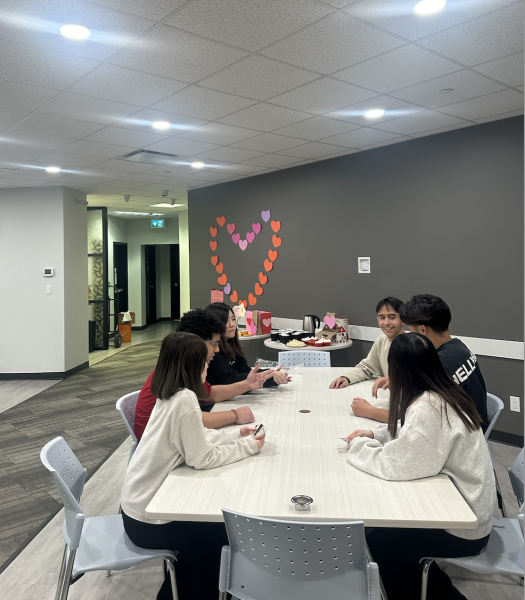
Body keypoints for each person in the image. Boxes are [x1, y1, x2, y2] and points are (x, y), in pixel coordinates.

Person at [344, 333, 495, 600]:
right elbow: (409, 430)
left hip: (463, 525)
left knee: (379, 541)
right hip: (465, 505)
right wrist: (375, 434)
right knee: (387, 537)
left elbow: (394, 465)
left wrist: (358, 446)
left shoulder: (430, 407)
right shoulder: (439, 392)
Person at [121, 332, 266, 600]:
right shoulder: (184, 400)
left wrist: (237, 435)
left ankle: (185, 587)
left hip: (135, 508)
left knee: (211, 535)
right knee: (224, 535)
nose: (208, 369)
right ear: (193, 365)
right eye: (206, 363)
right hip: (149, 519)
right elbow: (203, 458)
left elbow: (195, 440)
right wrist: (249, 446)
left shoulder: (168, 391)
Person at [134, 309, 275, 440]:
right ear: (197, 342)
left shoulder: (184, 364)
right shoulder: (179, 372)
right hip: (159, 442)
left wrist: (247, 385)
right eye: (214, 343)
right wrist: (235, 415)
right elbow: (192, 419)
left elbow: (210, 394)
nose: (217, 349)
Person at [400, 294, 488, 431]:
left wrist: (369, 411)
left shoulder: (441, 365)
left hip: (466, 433)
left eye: (411, 331)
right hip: (475, 423)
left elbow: (417, 417)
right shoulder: (458, 347)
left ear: (422, 330)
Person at [329, 297, 404, 422]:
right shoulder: (381, 341)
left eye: (392, 317)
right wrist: (347, 378)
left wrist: (368, 411)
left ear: (403, 319)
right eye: (382, 317)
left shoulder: (412, 347)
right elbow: (366, 367)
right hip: (391, 405)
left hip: (403, 413)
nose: (386, 322)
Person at [205, 302, 290, 387]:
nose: (232, 324)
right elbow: (231, 379)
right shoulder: (212, 352)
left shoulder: (231, 344)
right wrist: (268, 377)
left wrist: (270, 373)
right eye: (226, 321)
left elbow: (245, 371)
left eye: (233, 319)